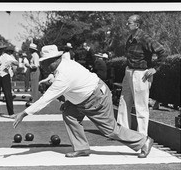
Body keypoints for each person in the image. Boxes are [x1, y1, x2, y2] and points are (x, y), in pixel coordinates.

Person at [12, 45, 154, 159]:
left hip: (96, 98)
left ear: (54, 60)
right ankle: (82, 148)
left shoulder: (63, 76)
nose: (43, 65)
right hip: (85, 97)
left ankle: (143, 141)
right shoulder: (65, 63)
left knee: (110, 130)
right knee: (69, 113)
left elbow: (45, 99)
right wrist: (61, 90)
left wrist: (23, 113)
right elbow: (67, 81)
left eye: (46, 62)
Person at [117, 14, 168, 135]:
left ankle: (142, 136)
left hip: (141, 74)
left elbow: (162, 51)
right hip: (129, 72)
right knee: (124, 101)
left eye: (129, 23)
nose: (126, 24)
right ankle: (123, 132)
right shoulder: (130, 38)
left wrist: (155, 69)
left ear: (137, 25)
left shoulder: (144, 38)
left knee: (141, 106)